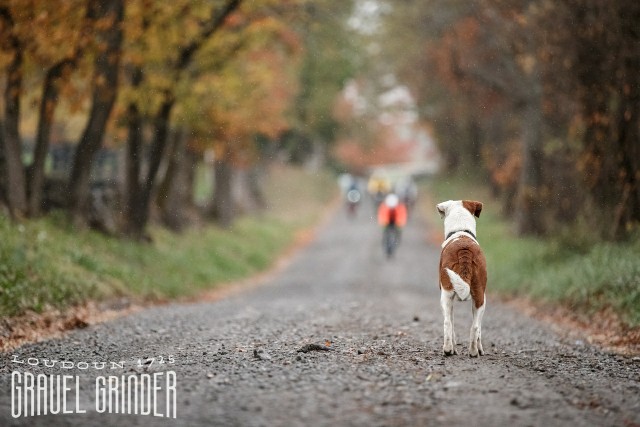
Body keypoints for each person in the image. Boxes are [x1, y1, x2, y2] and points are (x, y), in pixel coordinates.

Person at [377, 193, 407, 258]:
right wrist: (383, 223)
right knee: (385, 233)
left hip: (396, 221)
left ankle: (396, 242)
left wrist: (400, 224)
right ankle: (385, 244)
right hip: (387, 221)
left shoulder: (400, 207)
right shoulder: (384, 207)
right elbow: (382, 216)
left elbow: (402, 216)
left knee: (398, 233)